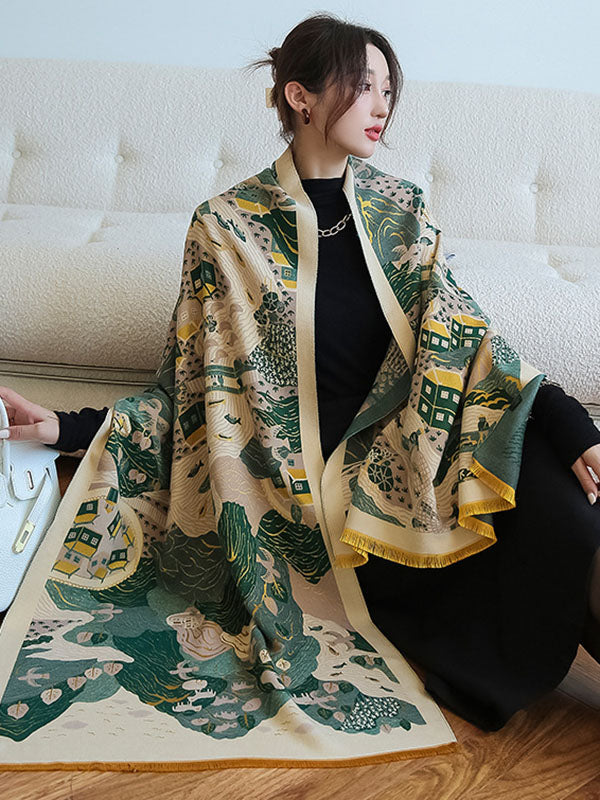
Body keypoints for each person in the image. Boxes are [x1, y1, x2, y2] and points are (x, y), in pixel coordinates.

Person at [1, 12, 599, 732]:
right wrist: (67, 428)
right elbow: (192, 393)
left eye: (388, 89)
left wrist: (571, 425)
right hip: (320, 503)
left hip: (424, 458)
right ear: (300, 96)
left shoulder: (402, 209)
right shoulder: (226, 227)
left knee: (574, 511)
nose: (382, 106)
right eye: (364, 86)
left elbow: (468, 338)